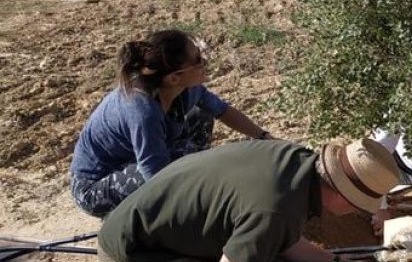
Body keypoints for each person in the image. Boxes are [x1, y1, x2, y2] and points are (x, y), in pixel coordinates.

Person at [96, 137, 401, 262]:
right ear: (342, 194)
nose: (356, 212)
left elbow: (284, 240)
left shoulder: (296, 162)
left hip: (171, 231)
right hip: (135, 255)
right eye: (359, 205)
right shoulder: (274, 209)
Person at [69, 29, 274, 218]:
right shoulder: (142, 110)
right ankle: (132, 218)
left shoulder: (185, 90)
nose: (204, 61)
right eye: (197, 60)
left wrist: (264, 137)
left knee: (201, 119)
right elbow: (156, 175)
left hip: (136, 159)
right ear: (174, 78)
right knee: (184, 163)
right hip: (93, 187)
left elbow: (222, 111)